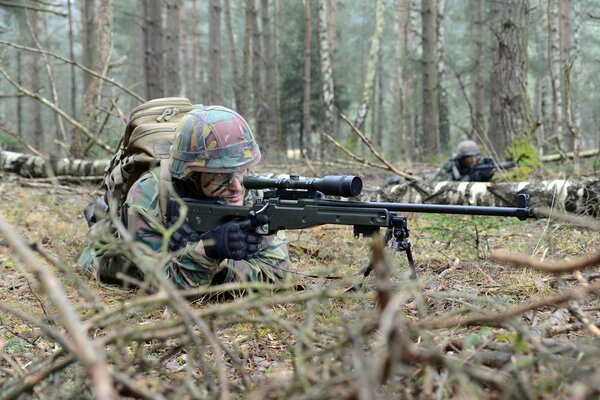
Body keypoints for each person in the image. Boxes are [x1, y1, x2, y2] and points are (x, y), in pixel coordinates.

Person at [79, 105, 290, 290]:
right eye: (220, 176)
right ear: (191, 174)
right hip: (117, 252)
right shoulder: (148, 195)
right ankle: (99, 215)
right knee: (101, 241)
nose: (236, 187)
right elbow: (161, 284)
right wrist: (208, 249)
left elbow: (277, 273)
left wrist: (220, 265)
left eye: (242, 171)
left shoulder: (249, 189)